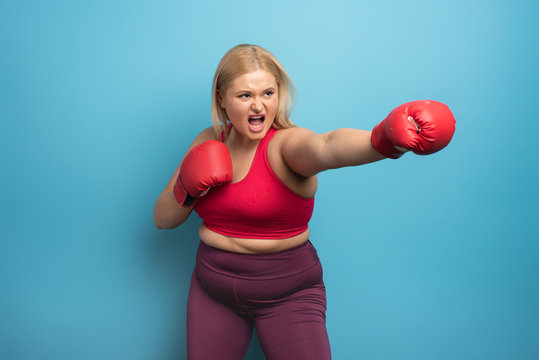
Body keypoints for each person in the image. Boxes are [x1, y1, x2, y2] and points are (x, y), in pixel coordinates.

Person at [153, 44, 455, 360]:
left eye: (267, 93)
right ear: (221, 99)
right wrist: (187, 188)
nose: (258, 106)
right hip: (212, 291)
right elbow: (163, 219)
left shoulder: (286, 145)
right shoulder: (207, 140)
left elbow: (326, 146)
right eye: (245, 96)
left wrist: (381, 139)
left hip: (287, 295)